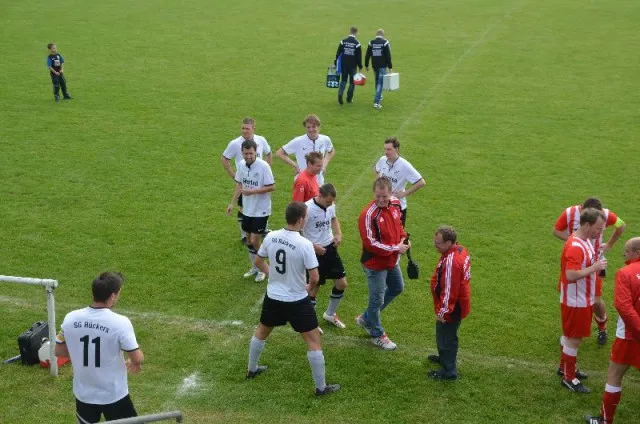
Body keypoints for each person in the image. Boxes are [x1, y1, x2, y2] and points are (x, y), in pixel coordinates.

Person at [247, 202, 340, 396]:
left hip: (273, 296)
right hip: (297, 300)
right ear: (300, 220)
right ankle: (321, 387)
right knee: (313, 340)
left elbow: (258, 261)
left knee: (262, 331)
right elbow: (315, 277)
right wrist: (309, 287)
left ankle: (252, 369)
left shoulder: (271, 236)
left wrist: (272, 275)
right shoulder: (305, 244)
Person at [54, 272, 143, 423]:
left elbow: (59, 350)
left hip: (84, 394)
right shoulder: (120, 323)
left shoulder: (71, 318)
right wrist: (134, 362)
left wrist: (80, 352)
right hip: (113, 394)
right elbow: (137, 357)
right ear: (113, 296)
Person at [553, 197, 627, 345]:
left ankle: (602, 326)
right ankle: (571, 333)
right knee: (571, 297)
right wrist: (575, 241)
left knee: (596, 302)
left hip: (595, 263)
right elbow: (556, 230)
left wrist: (609, 244)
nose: (598, 231)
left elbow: (621, 225)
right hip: (576, 260)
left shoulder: (605, 214)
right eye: (597, 228)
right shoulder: (569, 213)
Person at [584, 237, 640, 424]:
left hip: (629, 336)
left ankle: (605, 420)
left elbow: (624, 308)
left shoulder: (625, 272)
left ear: (637, 253)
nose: (623, 253)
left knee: (614, 375)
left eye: (627, 250)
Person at [355, 177, 409, 350]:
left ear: (390, 193)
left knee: (397, 287)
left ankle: (366, 318)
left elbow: (399, 226)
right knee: (377, 299)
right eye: (377, 196)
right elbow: (371, 244)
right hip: (374, 263)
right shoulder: (368, 215)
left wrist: (404, 239)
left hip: (391, 259)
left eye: (384, 196)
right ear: (373, 193)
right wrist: (396, 248)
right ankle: (377, 334)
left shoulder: (395, 204)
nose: (381, 200)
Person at [558, 208, 608, 393]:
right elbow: (570, 275)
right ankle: (569, 378)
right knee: (574, 339)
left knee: (572, 336)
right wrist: (594, 268)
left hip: (582, 298)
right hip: (575, 300)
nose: (600, 232)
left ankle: (564, 368)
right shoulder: (575, 246)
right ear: (587, 225)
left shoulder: (585, 240)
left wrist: (596, 265)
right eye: (598, 228)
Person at [226, 140, 275, 282]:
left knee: (255, 241)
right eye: (246, 153)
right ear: (242, 152)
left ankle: (263, 269)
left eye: (251, 153)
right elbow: (239, 185)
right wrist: (232, 203)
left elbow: (272, 187)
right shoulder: (241, 165)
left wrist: (253, 191)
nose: (248, 156)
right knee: (248, 240)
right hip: (247, 210)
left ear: (256, 152)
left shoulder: (263, 166)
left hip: (261, 210)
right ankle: (255, 266)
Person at [427, 225, 471, 381]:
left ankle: (448, 371)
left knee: (446, 337)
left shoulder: (452, 262)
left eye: (438, 243)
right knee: (446, 336)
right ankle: (444, 358)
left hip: (452, 308)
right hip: (457, 303)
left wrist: (442, 312)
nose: (435, 246)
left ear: (449, 242)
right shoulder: (459, 250)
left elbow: (449, 291)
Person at [302, 184, 347, 329]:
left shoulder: (330, 204)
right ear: (319, 195)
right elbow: (298, 232)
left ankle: (330, 314)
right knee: (314, 287)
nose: (331, 204)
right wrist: (313, 247)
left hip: (330, 248)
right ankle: (310, 323)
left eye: (332, 201)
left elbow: (333, 218)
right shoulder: (306, 209)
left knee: (341, 283)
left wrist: (338, 233)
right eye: (328, 201)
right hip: (314, 252)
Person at [221, 117, 273, 243]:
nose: (244, 131)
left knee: (261, 203)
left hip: (259, 181)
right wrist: (234, 175)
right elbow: (224, 159)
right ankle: (245, 234)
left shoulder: (261, 140)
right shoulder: (235, 143)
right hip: (245, 180)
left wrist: (267, 170)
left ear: (253, 128)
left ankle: (261, 229)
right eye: (243, 128)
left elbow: (269, 153)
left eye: (247, 128)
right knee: (244, 206)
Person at [374, 137, 426, 228]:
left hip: (398, 207)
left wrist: (404, 194)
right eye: (385, 149)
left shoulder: (404, 165)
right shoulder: (382, 160)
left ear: (397, 149)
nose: (386, 152)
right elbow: (376, 169)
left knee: (397, 235)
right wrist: (378, 184)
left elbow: (421, 182)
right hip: (382, 204)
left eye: (389, 149)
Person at [276, 114, 335, 185]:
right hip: (302, 182)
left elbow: (331, 151)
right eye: (308, 127)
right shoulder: (298, 141)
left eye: (313, 127)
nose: (311, 129)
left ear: (318, 126)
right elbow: (280, 153)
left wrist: (324, 165)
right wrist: (295, 166)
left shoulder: (325, 139)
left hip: (319, 182)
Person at [365, 29, 393, 109]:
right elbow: (388, 56)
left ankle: (379, 96)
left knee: (377, 82)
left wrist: (366, 65)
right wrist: (390, 67)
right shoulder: (385, 43)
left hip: (375, 66)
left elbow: (367, 55)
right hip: (382, 66)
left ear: (376, 34)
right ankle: (376, 102)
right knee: (380, 84)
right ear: (383, 35)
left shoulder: (371, 42)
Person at [334, 26, 363, 105]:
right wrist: (360, 66)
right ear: (356, 32)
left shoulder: (343, 41)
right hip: (353, 66)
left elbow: (338, 53)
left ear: (350, 31)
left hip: (344, 64)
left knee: (343, 80)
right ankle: (349, 98)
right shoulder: (357, 43)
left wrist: (335, 63)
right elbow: (359, 57)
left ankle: (340, 94)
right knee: (352, 82)